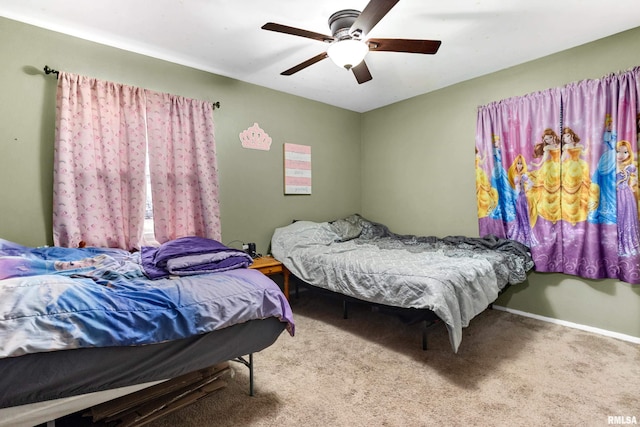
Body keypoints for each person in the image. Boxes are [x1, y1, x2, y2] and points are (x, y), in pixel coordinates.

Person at [615, 140, 640, 256]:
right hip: (614, 194)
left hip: (625, 194)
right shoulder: (612, 165)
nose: (621, 155)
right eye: (618, 152)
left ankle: (626, 242)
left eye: (625, 152)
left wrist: (631, 184)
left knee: (626, 216)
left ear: (629, 153)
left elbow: (633, 179)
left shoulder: (629, 167)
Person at [507, 154, 537, 246]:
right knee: (519, 216)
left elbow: (531, 183)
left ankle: (526, 237)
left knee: (523, 216)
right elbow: (514, 187)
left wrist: (526, 188)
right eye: (518, 163)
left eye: (521, 164)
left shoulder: (524, 175)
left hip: (522, 198)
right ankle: (518, 234)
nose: (519, 165)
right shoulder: (515, 175)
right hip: (517, 197)